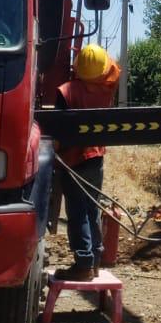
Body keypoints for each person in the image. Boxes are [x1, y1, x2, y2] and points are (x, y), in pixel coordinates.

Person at [54, 43, 121, 281]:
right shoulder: (107, 87)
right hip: (96, 157)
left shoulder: (67, 91)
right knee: (92, 208)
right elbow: (113, 67)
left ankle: (83, 264)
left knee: (77, 211)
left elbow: (58, 131)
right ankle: (94, 261)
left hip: (73, 160)